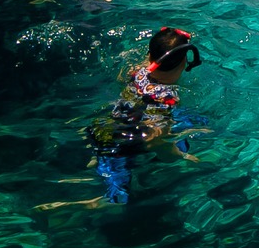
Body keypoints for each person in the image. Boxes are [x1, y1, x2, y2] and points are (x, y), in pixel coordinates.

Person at [40, 27, 206, 208]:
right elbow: (157, 142)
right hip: (122, 144)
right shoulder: (165, 100)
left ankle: (97, 159)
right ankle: (88, 204)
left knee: (108, 159)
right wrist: (181, 156)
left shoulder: (138, 72)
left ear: (150, 57)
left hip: (102, 127)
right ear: (184, 63)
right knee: (119, 198)